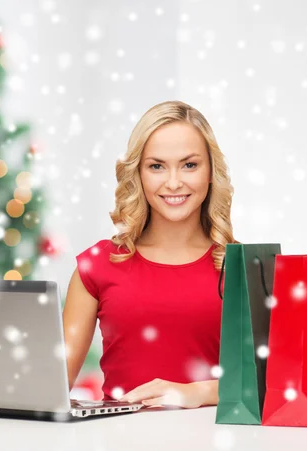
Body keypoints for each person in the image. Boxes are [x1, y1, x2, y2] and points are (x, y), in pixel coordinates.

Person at [62, 100, 237, 409]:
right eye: (156, 166)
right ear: (138, 175)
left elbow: (270, 384)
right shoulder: (97, 266)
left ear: (210, 171)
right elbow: (54, 384)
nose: (173, 182)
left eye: (189, 165)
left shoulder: (241, 268)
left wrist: (197, 393)